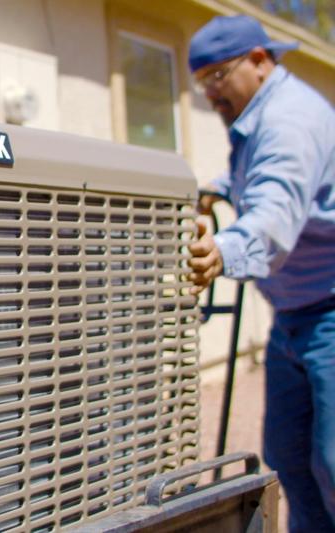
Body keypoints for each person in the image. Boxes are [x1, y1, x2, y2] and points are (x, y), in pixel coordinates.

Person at [187, 15, 335, 533]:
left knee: (333, 463)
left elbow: (274, 211)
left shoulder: (290, 121)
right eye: (200, 83)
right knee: (290, 458)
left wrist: (223, 251)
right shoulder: (260, 116)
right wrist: (214, 190)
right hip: (294, 317)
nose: (209, 93)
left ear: (259, 60)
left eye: (216, 77)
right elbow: (250, 179)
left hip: (331, 314)